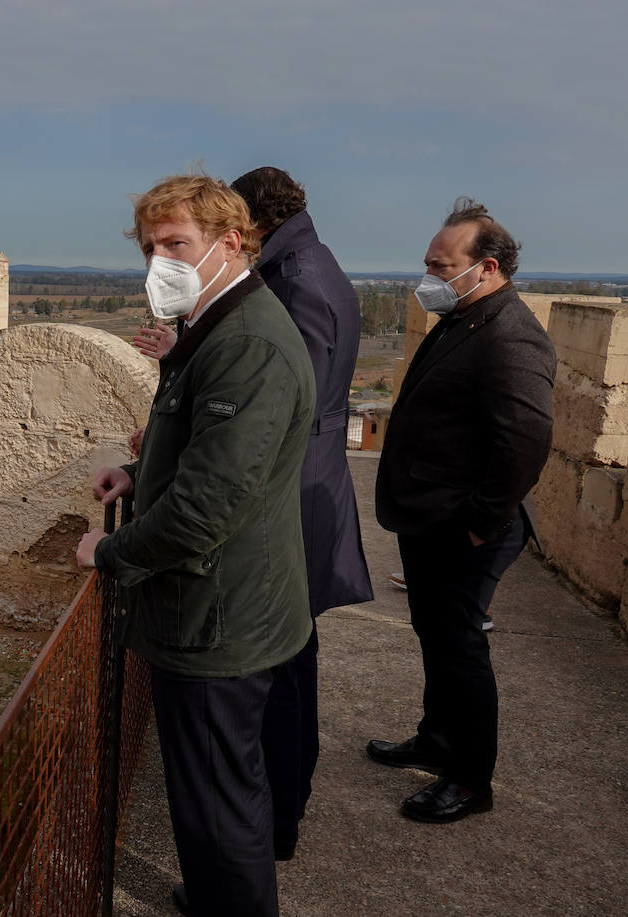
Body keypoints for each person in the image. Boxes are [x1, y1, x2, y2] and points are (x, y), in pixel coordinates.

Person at [76, 174, 315, 916]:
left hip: (216, 616)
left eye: (175, 243)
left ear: (230, 242)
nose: (160, 262)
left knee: (220, 802)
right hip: (222, 603)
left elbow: (206, 508)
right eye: (151, 247)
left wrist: (108, 554)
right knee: (212, 796)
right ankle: (218, 891)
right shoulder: (219, 322)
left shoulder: (248, 345)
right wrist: (139, 473)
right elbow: (204, 451)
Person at [368, 198, 554, 823]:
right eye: (428, 263)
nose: (429, 277)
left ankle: (471, 780)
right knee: (436, 635)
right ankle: (438, 739)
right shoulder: (467, 318)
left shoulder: (510, 333)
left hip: (464, 526)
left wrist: (480, 520)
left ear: (489, 266)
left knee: (460, 648)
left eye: (441, 265)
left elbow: (524, 439)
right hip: (433, 517)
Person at [229, 167, 373, 859]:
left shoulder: (296, 279)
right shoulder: (310, 261)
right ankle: (278, 812)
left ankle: (277, 821)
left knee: (284, 668)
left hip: (294, 490)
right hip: (308, 480)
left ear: (252, 218)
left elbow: (288, 407)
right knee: (290, 658)